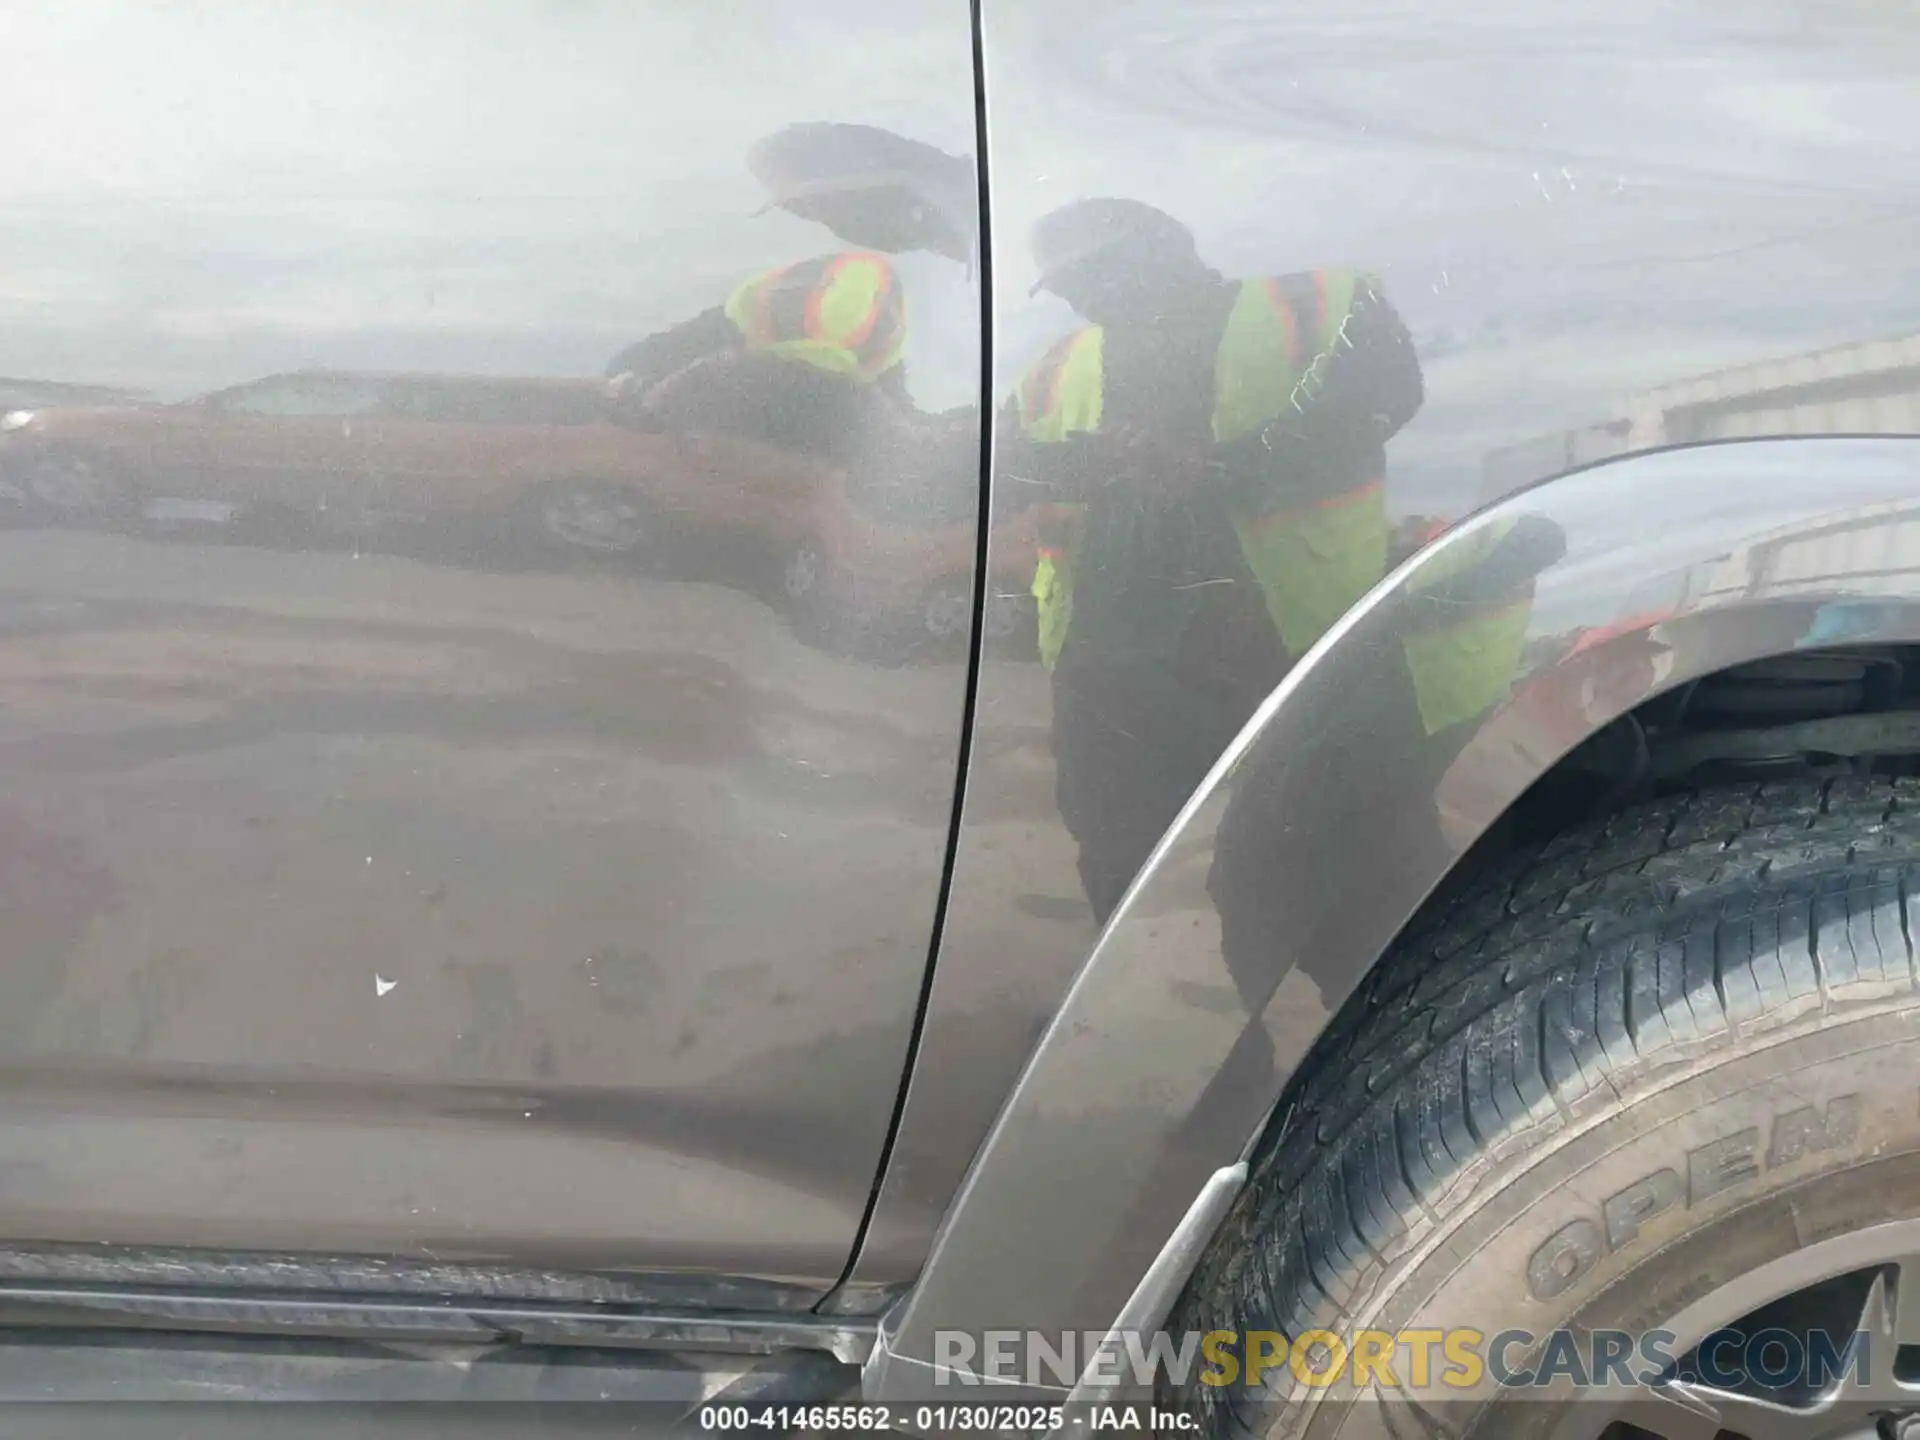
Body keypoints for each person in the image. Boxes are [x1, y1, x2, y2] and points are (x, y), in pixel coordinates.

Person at [1003, 197, 1426, 925]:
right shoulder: (1055, 366)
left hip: (1293, 648)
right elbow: (1006, 466)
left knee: (1349, 871)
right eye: (1067, 287)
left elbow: (1381, 400)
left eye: (1097, 274)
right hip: (1111, 671)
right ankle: (1152, 1033)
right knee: (1123, 866)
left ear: (1163, 252)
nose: (1083, 298)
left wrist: (1219, 467)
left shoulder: (1317, 305)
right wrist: (1095, 462)